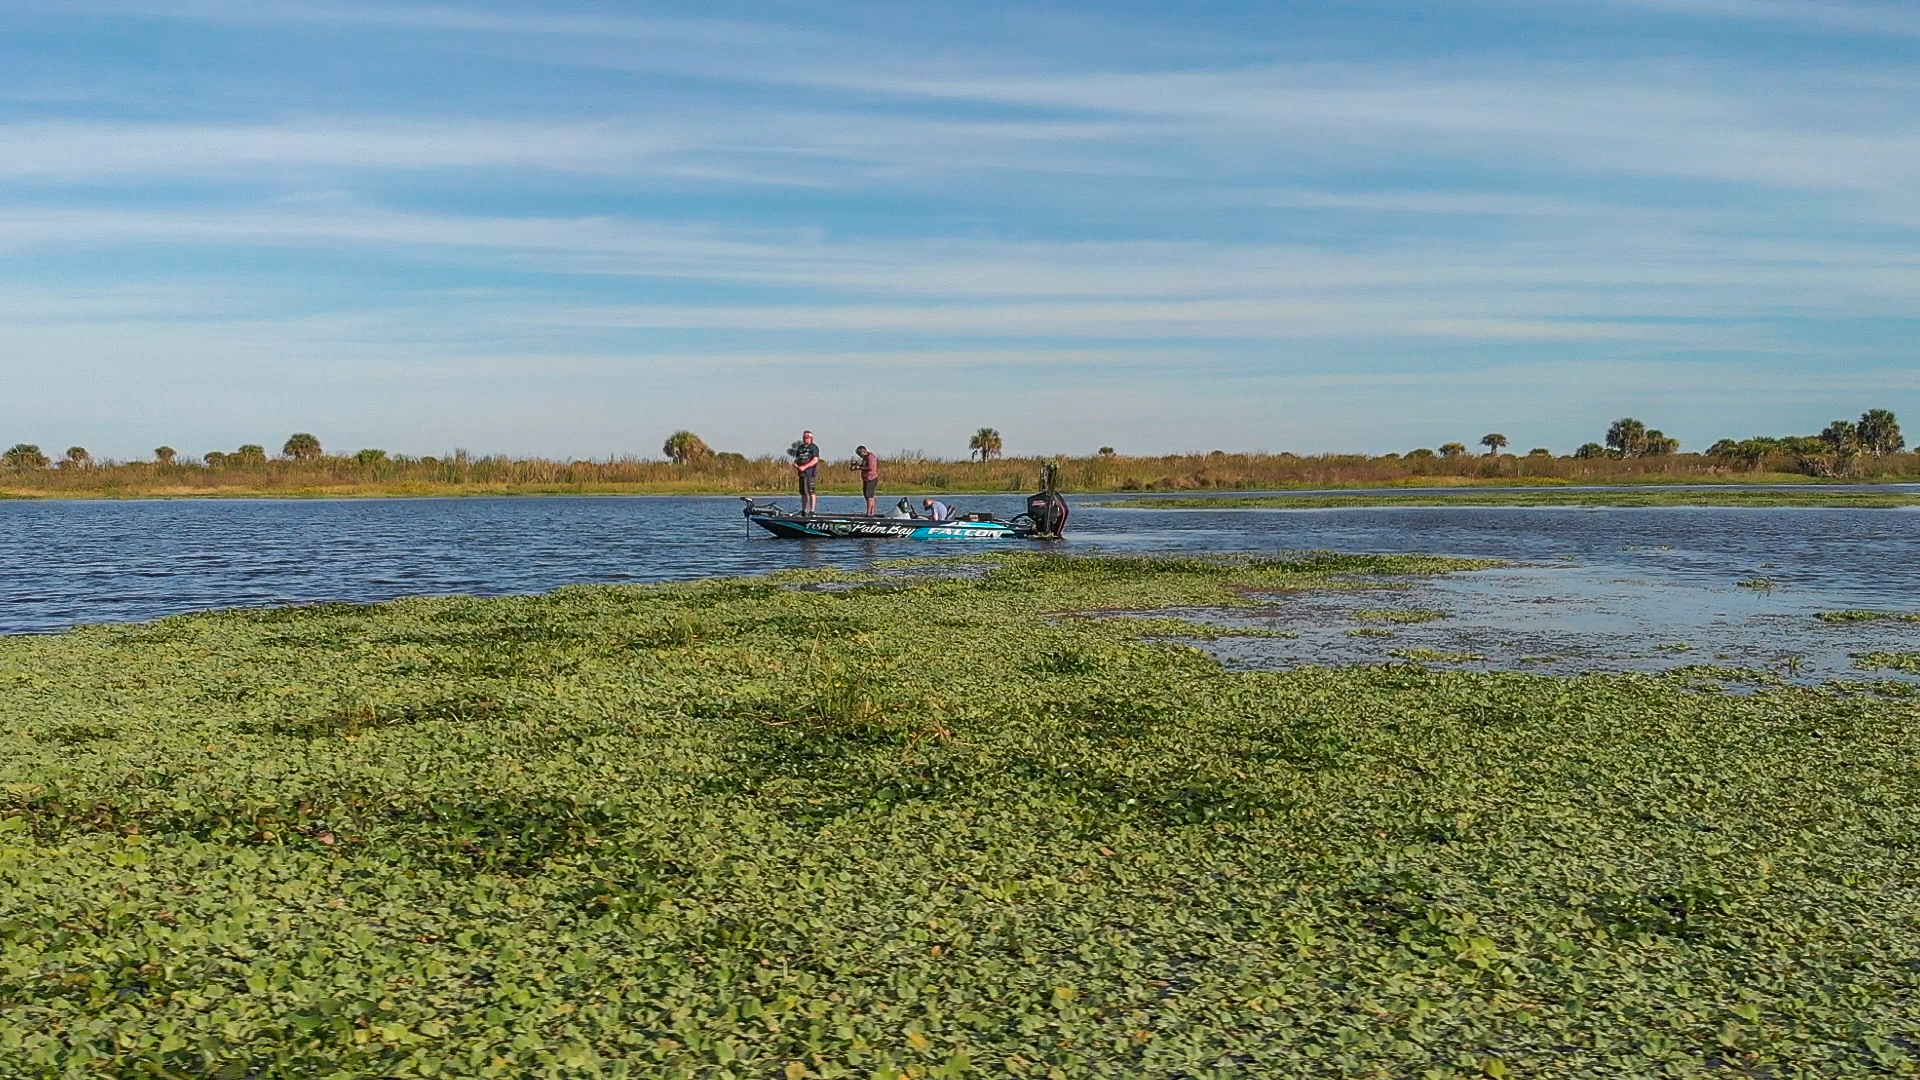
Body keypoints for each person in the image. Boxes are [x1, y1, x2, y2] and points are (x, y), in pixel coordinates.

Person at [792, 430, 820, 515]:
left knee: (811, 491)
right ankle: (803, 510)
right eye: (804, 438)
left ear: (811, 438)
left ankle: (812, 510)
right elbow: (796, 459)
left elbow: (815, 460)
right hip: (801, 473)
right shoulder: (800, 448)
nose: (805, 439)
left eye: (807, 438)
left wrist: (805, 467)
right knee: (803, 492)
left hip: (810, 473)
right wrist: (797, 466)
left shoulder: (814, 447)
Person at [849, 445, 880, 515]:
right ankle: (871, 512)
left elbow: (870, 467)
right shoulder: (866, 458)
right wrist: (857, 465)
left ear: (864, 452)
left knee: (869, 495)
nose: (860, 456)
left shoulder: (870, 457)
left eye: (860, 454)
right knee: (868, 495)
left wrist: (859, 467)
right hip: (867, 479)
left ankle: (869, 512)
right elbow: (864, 465)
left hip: (871, 479)